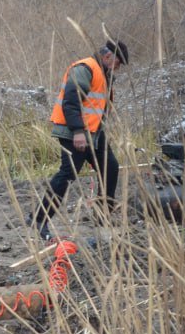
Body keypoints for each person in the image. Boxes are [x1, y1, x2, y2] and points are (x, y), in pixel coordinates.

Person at [33, 40, 129, 239]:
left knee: (110, 168)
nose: (118, 68)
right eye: (118, 63)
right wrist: (77, 131)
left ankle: (103, 218)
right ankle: (40, 220)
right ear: (107, 56)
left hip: (94, 134)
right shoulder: (85, 68)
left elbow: (98, 107)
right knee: (68, 174)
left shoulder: (104, 74)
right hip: (73, 132)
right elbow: (71, 101)